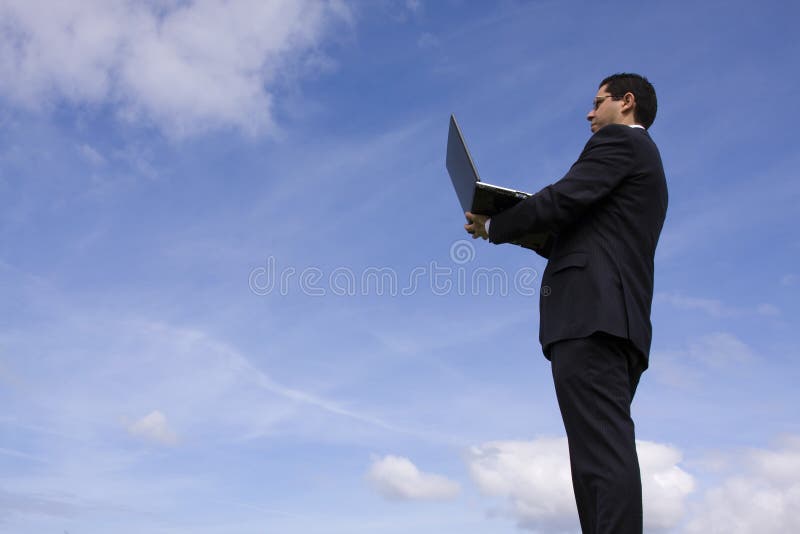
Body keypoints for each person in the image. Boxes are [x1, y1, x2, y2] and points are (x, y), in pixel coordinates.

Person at [464, 73, 667, 534]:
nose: (590, 113)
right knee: (594, 456)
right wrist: (502, 225)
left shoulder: (621, 143)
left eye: (599, 103)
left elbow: (564, 197)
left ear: (627, 102)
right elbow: (567, 233)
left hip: (592, 319)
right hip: (613, 322)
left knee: (601, 456)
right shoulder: (638, 164)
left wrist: (498, 226)